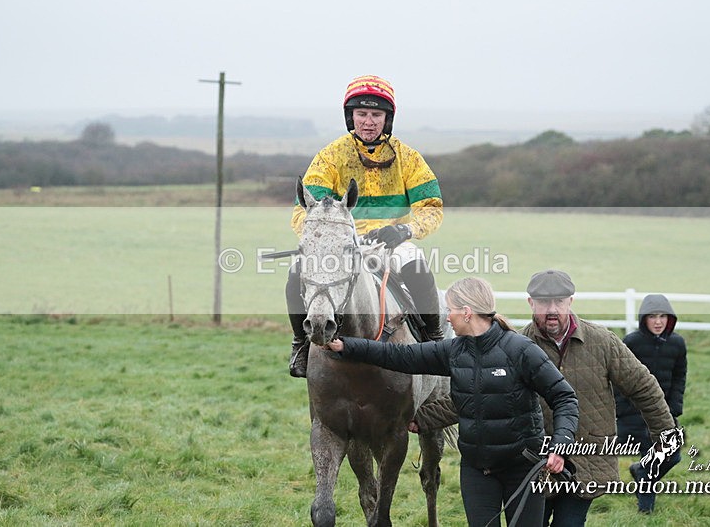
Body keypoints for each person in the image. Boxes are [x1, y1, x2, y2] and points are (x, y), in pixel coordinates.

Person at [325, 277, 579, 526]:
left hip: (523, 468)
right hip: (477, 470)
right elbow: (398, 355)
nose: (447, 318)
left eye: (451, 310)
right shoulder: (453, 351)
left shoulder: (522, 351)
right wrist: (346, 345)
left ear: (467, 313)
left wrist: (561, 445)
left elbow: (564, 397)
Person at [286, 74, 444, 378]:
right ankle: (301, 344)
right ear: (351, 116)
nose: (368, 122)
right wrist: (332, 239)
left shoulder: (408, 158)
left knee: (417, 264)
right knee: (296, 272)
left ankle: (434, 343)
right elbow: (304, 212)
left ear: (387, 118)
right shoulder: (329, 157)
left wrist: (405, 230)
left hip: (392, 243)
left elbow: (432, 208)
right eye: (362, 114)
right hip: (342, 244)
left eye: (376, 114)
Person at [519, 269, 677, 527]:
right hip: (535, 463)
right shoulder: (518, 345)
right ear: (530, 303)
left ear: (571, 301)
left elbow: (643, 386)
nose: (552, 309)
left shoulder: (602, 342)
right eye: (543, 302)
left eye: (559, 301)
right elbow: (487, 396)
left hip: (587, 461)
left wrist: (665, 435)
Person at [616, 294, 687, 513]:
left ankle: (639, 471)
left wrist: (674, 408)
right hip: (633, 413)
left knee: (673, 456)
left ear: (670, 318)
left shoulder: (677, 343)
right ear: (644, 319)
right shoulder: (632, 342)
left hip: (663, 414)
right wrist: (622, 408)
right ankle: (646, 511)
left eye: (663, 316)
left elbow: (679, 377)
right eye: (653, 316)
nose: (658, 321)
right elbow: (617, 377)